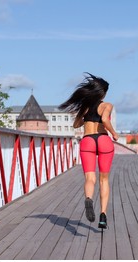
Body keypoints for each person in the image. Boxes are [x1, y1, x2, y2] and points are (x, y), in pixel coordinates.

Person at [58, 73, 119, 229]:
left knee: (89, 177)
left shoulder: (85, 107)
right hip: (104, 141)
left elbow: (76, 125)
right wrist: (113, 133)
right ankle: (103, 216)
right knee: (104, 180)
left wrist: (83, 114)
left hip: (88, 141)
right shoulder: (107, 105)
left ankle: (88, 198)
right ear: (103, 93)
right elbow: (105, 120)